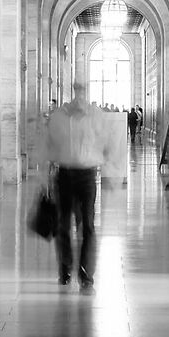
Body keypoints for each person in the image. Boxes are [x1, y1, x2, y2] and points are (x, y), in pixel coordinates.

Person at [43, 88, 121, 287]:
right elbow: (48, 145)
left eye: (83, 91)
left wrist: (111, 171)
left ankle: (86, 272)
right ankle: (65, 268)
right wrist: (45, 177)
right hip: (64, 174)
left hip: (86, 175)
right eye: (76, 91)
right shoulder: (59, 116)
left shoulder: (96, 116)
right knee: (63, 225)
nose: (79, 96)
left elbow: (109, 143)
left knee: (87, 224)